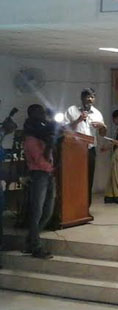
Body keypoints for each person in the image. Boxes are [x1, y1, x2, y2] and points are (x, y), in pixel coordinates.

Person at [23, 104, 57, 259]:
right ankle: (35, 247)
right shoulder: (31, 139)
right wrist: (49, 145)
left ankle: (30, 241)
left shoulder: (43, 134)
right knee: (37, 212)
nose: (43, 115)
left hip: (48, 175)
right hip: (39, 176)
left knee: (48, 212)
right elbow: (40, 160)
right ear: (32, 115)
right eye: (40, 112)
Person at [66, 88, 106, 206]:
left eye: (92, 97)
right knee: (75, 178)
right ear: (82, 98)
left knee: (88, 178)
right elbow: (64, 129)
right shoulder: (72, 110)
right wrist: (78, 120)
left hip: (90, 150)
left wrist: (103, 126)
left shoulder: (97, 113)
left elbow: (102, 133)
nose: (90, 99)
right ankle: (73, 204)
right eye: (88, 96)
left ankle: (85, 206)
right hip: (74, 150)